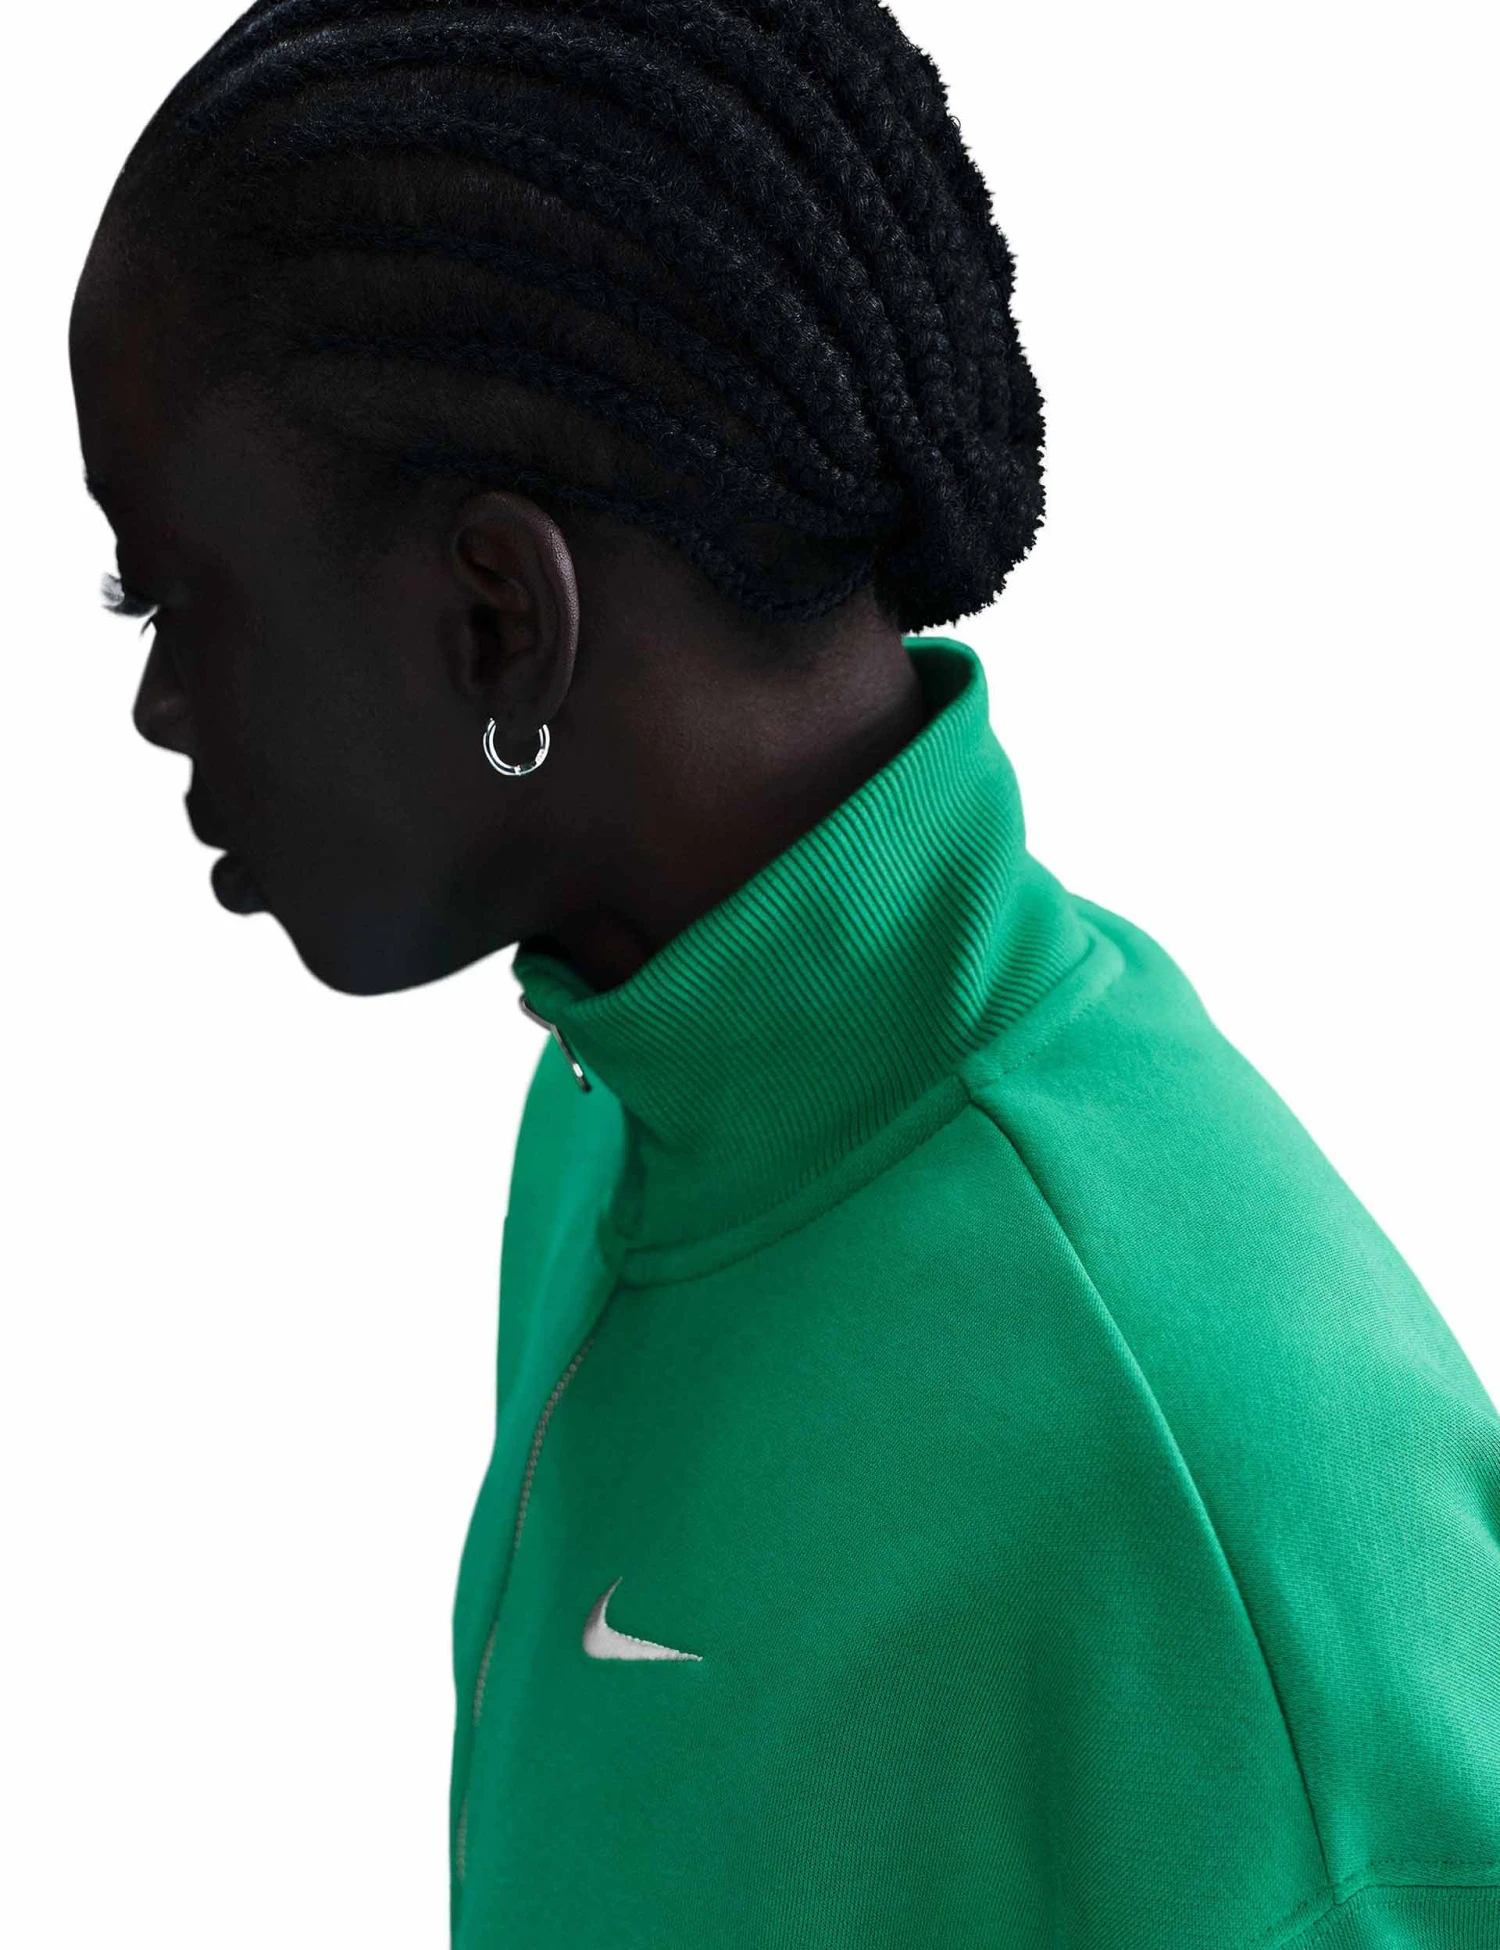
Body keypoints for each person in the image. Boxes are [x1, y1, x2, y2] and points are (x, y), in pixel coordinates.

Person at [69, 3, 1499, 1945]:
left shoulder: (1190, 1483)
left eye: (168, 594)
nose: (156, 705)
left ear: (501, 619)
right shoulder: (617, 1113)